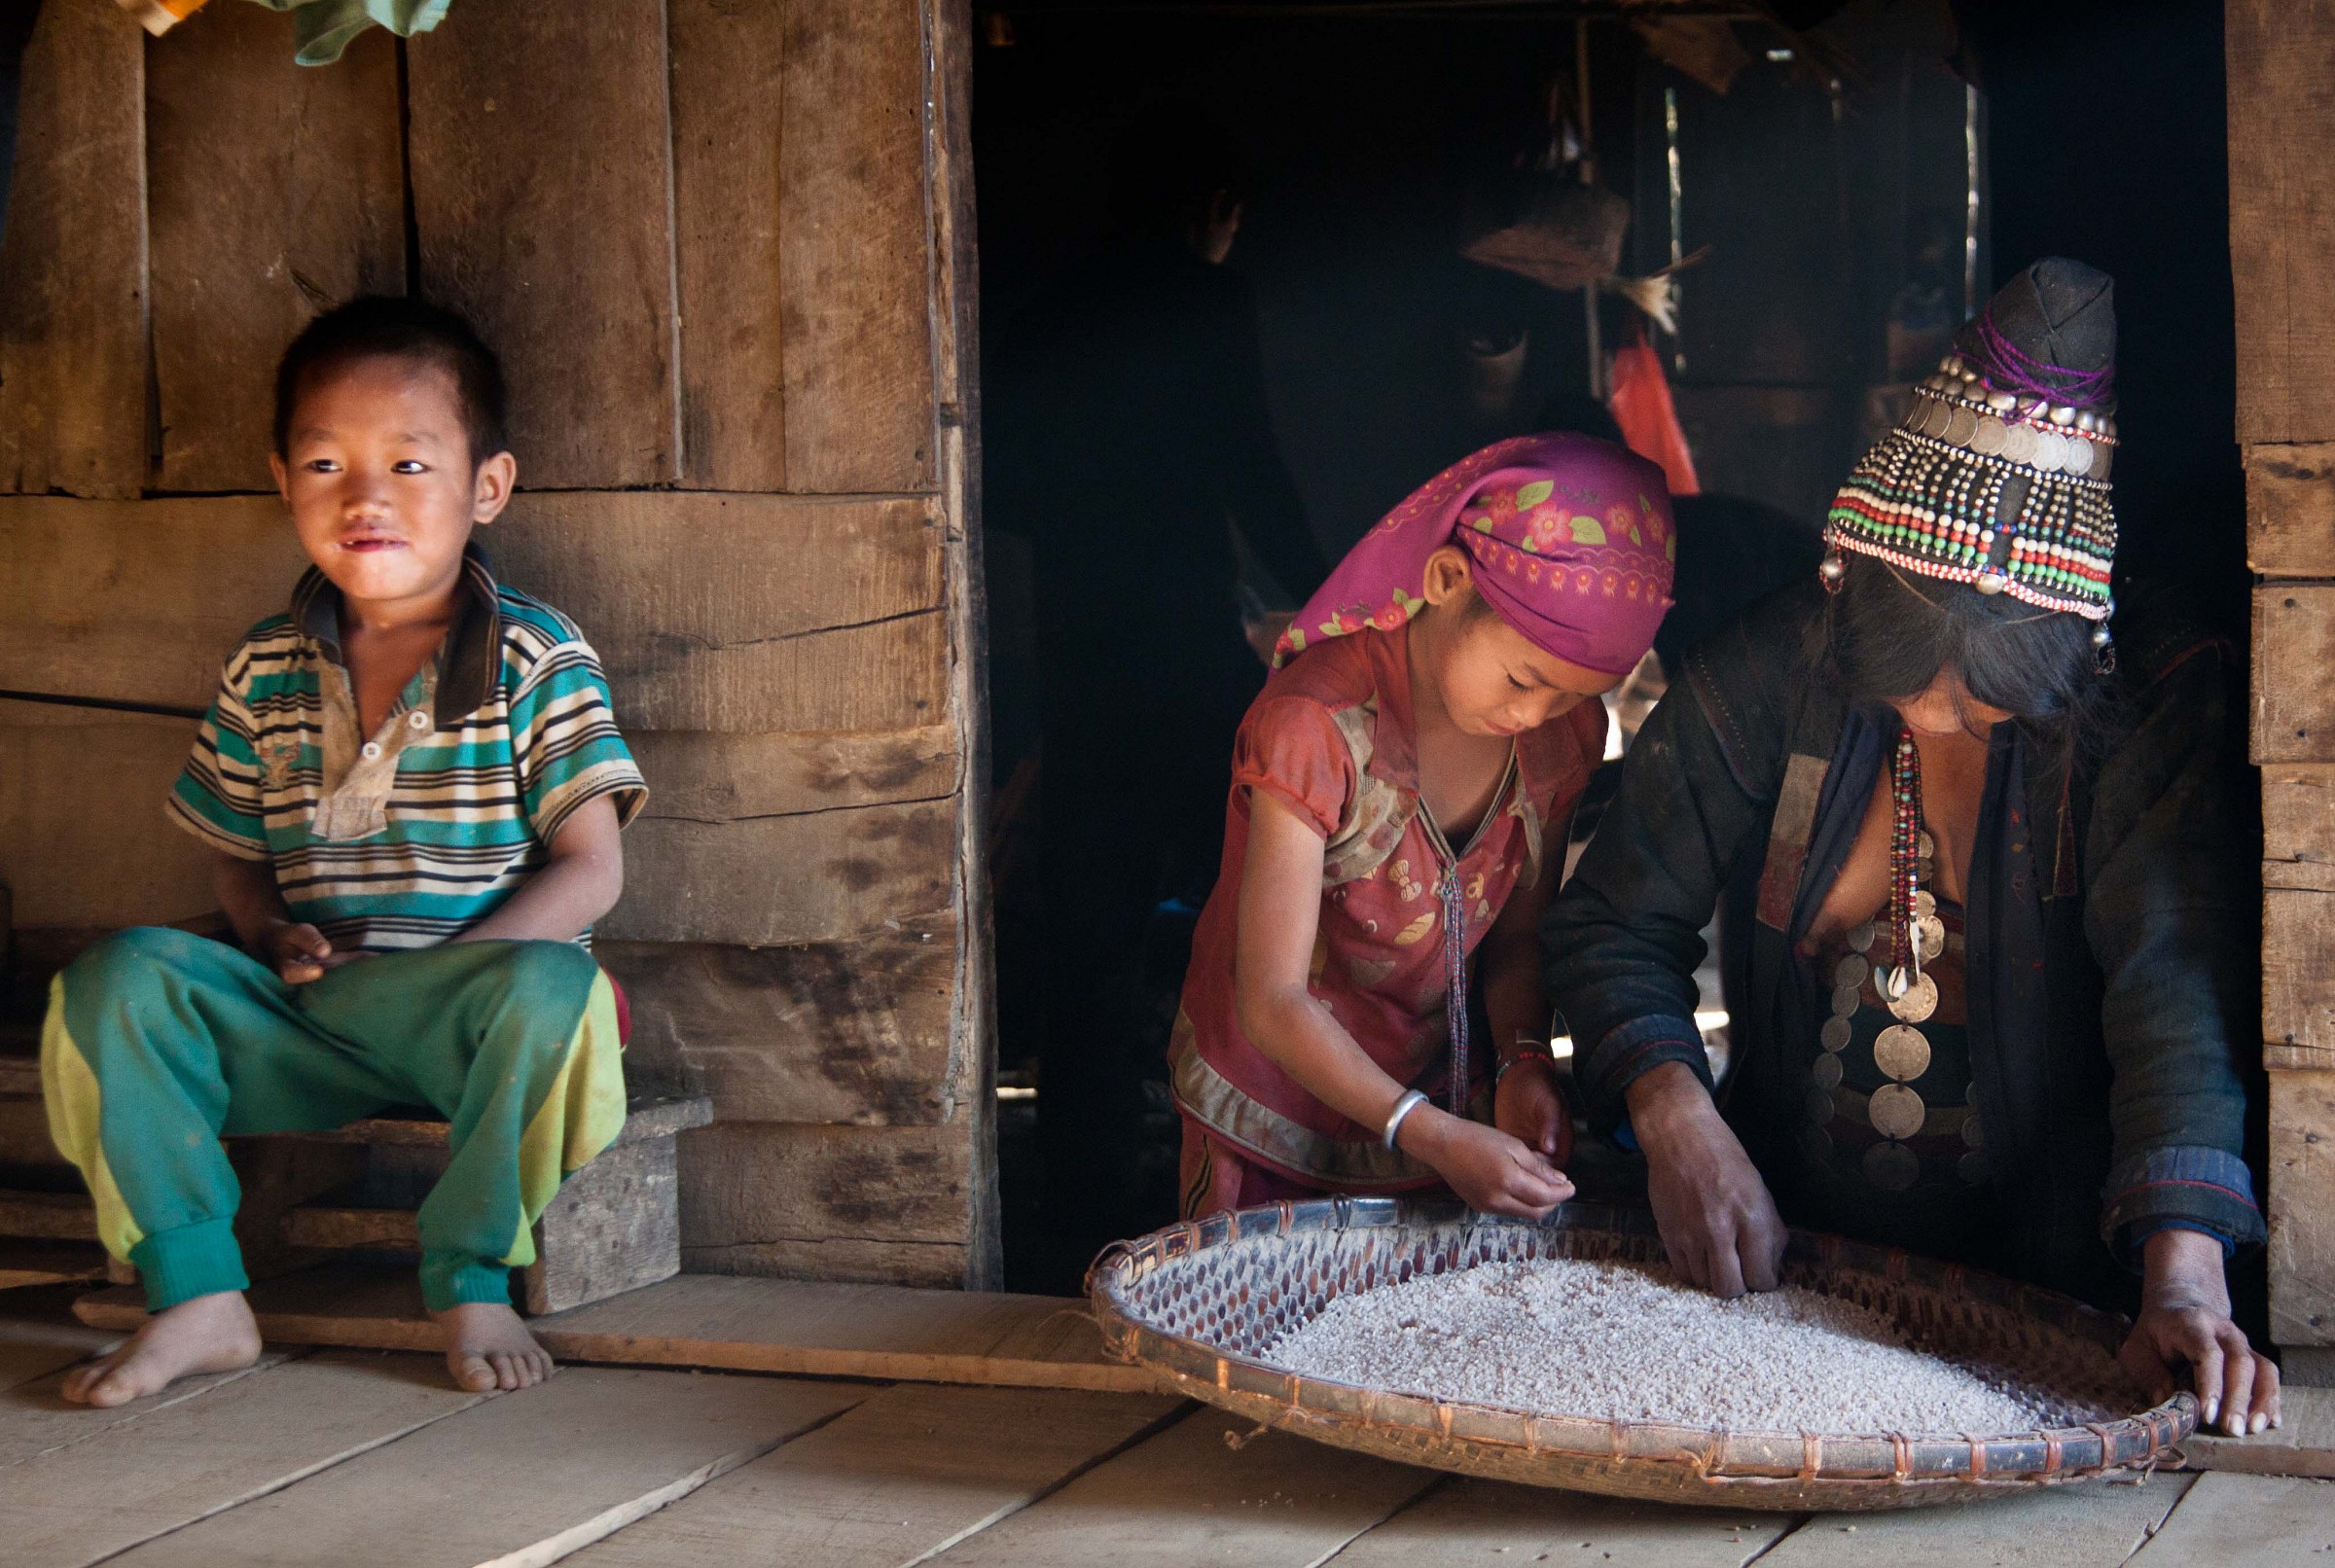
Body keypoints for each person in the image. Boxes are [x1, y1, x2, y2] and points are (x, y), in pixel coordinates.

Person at [1543, 259, 2281, 1438]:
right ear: (1852, 606)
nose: (1934, 723)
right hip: (1787, 1278)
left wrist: (2184, 1279)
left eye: (1982, 712)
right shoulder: (1780, 660)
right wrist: (1678, 1116)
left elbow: (2172, 989)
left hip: (2059, 1293)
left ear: (2070, 662)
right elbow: (1615, 917)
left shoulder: (2145, 696)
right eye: (1903, 692)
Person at [40, 297, 647, 1406]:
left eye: (409, 464)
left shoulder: (534, 654)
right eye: (326, 464)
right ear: (284, 481)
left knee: (559, 996)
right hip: (308, 1015)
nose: (365, 497)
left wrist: (446, 969)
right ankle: (197, 1293)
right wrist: (269, 930)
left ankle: (471, 1275)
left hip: (469, 1021)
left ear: (488, 486)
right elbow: (234, 852)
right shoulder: (264, 666)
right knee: (114, 980)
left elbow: (591, 868)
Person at [987, 103, 1331, 1260]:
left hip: (1079, 656)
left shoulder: (1049, 314)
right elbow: (1251, 467)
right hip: (1183, 648)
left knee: (1091, 936)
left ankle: (1077, 1204)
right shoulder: (1204, 300)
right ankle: (1250, 1168)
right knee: (1253, 908)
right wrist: (1337, 602)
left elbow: (1005, 487)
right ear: (1217, 209)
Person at [1171, 434, 1674, 1216]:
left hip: (1445, 1111)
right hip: (1277, 1117)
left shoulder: (1563, 739)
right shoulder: (1316, 728)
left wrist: (1523, 1062)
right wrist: (1426, 1131)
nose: (1534, 715)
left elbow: (1517, 939)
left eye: (1576, 695)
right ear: (1445, 580)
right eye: (1523, 678)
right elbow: (1272, 999)